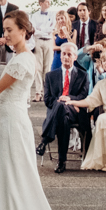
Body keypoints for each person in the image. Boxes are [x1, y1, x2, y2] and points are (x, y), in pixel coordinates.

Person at [0, 10, 75, 210]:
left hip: (14, 120)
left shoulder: (24, 59)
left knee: (16, 175)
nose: (5, 34)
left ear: (23, 31)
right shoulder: (18, 57)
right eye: (4, 30)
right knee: (11, 174)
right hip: (10, 118)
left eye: (9, 30)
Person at [37, 42, 91, 172]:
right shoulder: (50, 76)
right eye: (63, 54)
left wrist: (70, 99)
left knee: (62, 107)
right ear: (60, 56)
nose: (66, 57)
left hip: (76, 112)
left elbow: (83, 96)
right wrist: (60, 101)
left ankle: (45, 140)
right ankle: (62, 161)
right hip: (61, 114)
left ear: (75, 57)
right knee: (63, 118)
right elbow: (47, 100)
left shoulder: (83, 75)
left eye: (69, 54)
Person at [32, 0, 56, 74]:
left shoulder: (52, 14)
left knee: (48, 66)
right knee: (38, 66)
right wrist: (45, 30)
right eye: (47, 2)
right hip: (38, 41)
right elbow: (34, 30)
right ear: (41, 3)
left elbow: (52, 28)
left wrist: (41, 29)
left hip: (49, 41)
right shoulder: (35, 15)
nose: (49, 4)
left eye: (49, 2)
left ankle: (46, 86)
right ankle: (39, 87)